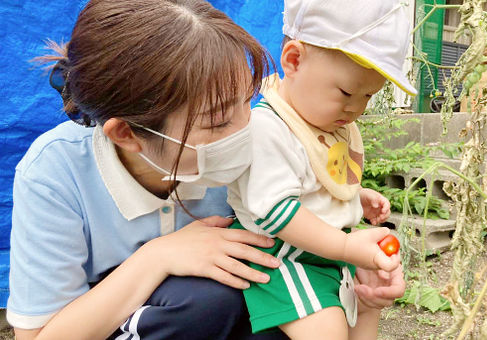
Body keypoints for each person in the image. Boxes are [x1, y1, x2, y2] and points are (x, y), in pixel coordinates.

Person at [8, 1, 286, 339]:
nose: (245, 130)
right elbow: (38, 336)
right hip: (118, 320)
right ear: (125, 134)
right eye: (218, 122)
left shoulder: (263, 141)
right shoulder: (54, 172)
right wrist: (158, 256)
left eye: (249, 102)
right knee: (209, 300)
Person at [226, 0, 417, 338]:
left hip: (326, 254)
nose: (356, 107)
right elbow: (274, 210)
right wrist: (346, 248)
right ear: (294, 60)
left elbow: (315, 181)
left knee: (364, 320)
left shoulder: (327, 125)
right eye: (346, 91)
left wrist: (356, 196)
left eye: (369, 97)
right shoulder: (268, 127)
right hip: (285, 256)